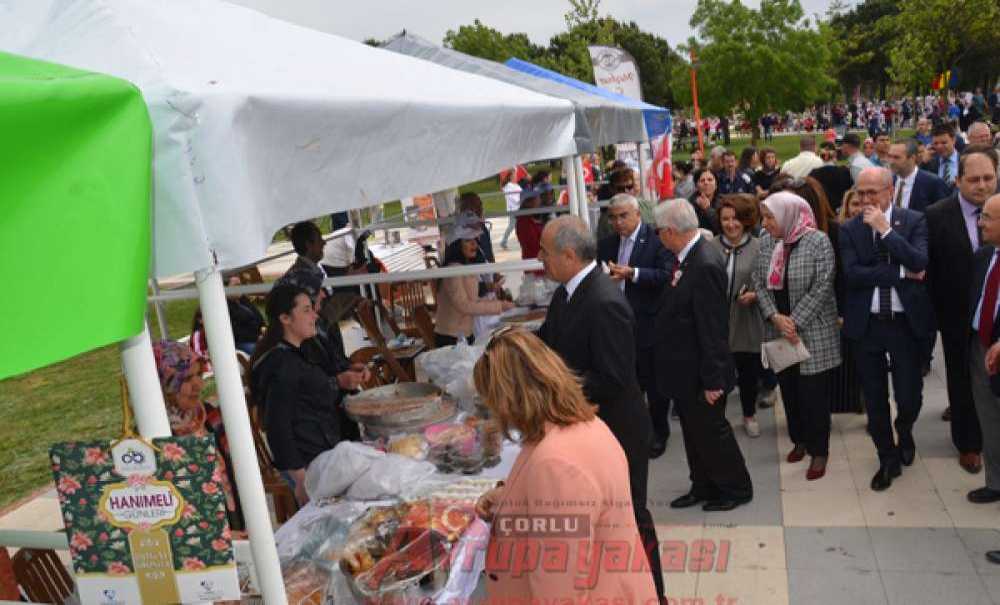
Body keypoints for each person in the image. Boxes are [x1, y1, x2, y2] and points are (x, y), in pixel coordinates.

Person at [472, 329, 658, 602]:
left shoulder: (556, 463)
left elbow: (559, 589)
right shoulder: (583, 425)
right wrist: (507, 497)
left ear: (509, 401)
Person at [535, 216, 664, 600]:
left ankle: (655, 593)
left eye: (544, 252)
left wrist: (553, 387)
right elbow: (547, 343)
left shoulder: (605, 301)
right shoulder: (567, 292)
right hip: (588, 427)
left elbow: (611, 377)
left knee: (631, 520)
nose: (539, 258)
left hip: (617, 431)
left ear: (569, 255)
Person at [653, 200, 753, 510]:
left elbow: (713, 330)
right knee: (695, 436)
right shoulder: (689, 256)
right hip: (686, 371)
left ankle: (736, 489)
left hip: (703, 373)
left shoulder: (704, 263)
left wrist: (712, 381)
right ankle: (703, 485)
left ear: (670, 231)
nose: (658, 238)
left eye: (659, 232)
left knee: (712, 434)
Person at [841, 167, 934, 491]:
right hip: (866, 326)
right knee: (875, 397)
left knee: (909, 396)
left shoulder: (913, 221)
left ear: (889, 191)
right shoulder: (849, 228)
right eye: (860, 192)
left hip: (904, 325)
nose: (865, 199)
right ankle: (886, 457)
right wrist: (900, 274)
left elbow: (920, 262)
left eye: (872, 192)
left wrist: (886, 232)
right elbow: (852, 275)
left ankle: (904, 429)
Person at [755, 192, 840, 481]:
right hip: (779, 331)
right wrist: (776, 318)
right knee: (789, 393)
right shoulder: (766, 242)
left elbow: (823, 285)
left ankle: (819, 451)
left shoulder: (818, 241)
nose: (764, 223)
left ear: (788, 215)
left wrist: (794, 321)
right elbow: (759, 282)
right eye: (764, 217)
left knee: (813, 395)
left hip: (811, 331)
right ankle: (799, 440)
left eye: (769, 217)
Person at [251, 286, 362, 505]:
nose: (315, 315)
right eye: (306, 310)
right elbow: (277, 427)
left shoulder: (296, 352)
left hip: (324, 455)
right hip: (311, 467)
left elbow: (313, 392)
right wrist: (301, 480)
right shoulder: (281, 365)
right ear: (285, 318)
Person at [926, 147, 998, 472]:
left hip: (997, 316)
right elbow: (932, 271)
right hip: (956, 317)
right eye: (974, 179)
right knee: (961, 378)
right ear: (957, 181)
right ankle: (968, 443)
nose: (982, 185)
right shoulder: (937, 215)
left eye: (989, 178)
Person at [597, 194, 674, 457]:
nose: (618, 222)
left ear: (637, 214)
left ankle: (659, 433)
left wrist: (634, 274)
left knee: (654, 385)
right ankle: (633, 431)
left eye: (623, 216)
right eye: (613, 217)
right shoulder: (606, 245)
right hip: (616, 326)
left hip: (648, 324)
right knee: (627, 384)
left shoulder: (655, 240)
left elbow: (666, 275)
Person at [711, 194, 765, 437]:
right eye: (725, 219)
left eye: (735, 219)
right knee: (718, 374)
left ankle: (749, 414)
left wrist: (754, 295)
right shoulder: (710, 246)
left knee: (748, 373)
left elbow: (766, 283)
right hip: (718, 321)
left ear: (745, 220)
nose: (730, 224)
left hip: (747, 319)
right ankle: (717, 420)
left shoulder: (759, 247)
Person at [967, 192, 1000, 509]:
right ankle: (995, 482)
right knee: (989, 421)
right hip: (981, 348)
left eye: (988, 217)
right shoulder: (984, 255)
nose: (980, 222)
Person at [433, 231, 514, 347]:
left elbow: (473, 300)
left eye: (475, 240)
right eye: (468, 241)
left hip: (464, 334)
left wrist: (500, 304)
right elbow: (464, 305)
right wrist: (499, 306)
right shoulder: (453, 270)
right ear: (457, 246)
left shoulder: (465, 266)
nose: (474, 244)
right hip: (450, 337)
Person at [887, 139, 951, 213]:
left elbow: (944, 213)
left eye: (896, 157)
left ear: (912, 158)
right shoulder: (888, 182)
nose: (891, 162)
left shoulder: (933, 183)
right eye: (889, 156)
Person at [276, 221, 328, 293]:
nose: (324, 243)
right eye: (319, 240)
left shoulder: (302, 271)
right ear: (309, 245)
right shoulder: (305, 277)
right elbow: (322, 303)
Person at [225, 276, 265, 355]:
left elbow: (258, 317)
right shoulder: (225, 307)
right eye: (236, 286)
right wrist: (257, 337)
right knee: (262, 353)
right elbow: (235, 332)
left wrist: (263, 328)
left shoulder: (243, 300)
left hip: (257, 337)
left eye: (240, 285)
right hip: (241, 342)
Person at [809, 142, 853, 213]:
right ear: (835, 154)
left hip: (821, 212)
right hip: (840, 211)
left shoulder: (813, 173)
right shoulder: (844, 172)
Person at [457, 192, 495, 262]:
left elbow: (490, 255)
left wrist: (495, 271)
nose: (481, 209)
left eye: (480, 205)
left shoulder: (483, 228)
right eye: (476, 206)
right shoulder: (462, 232)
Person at [927, 123, 961, 191]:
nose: (939, 147)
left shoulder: (965, 160)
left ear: (953, 140)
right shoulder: (930, 163)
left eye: (944, 143)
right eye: (936, 143)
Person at [688, 168, 721, 234]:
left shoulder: (724, 202)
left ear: (716, 185)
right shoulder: (689, 205)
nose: (706, 183)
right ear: (696, 186)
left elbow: (721, 227)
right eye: (702, 180)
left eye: (710, 180)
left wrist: (708, 209)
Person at [499, 169, 522, 250]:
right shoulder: (508, 186)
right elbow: (512, 198)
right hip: (513, 209)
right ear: (511, 176)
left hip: (519, 208)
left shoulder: (516, 185)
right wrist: (520, 201)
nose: (516, 176)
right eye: (515, 174)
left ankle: (520, 240)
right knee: (511, 226)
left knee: (518, 226)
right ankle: (503, 242)